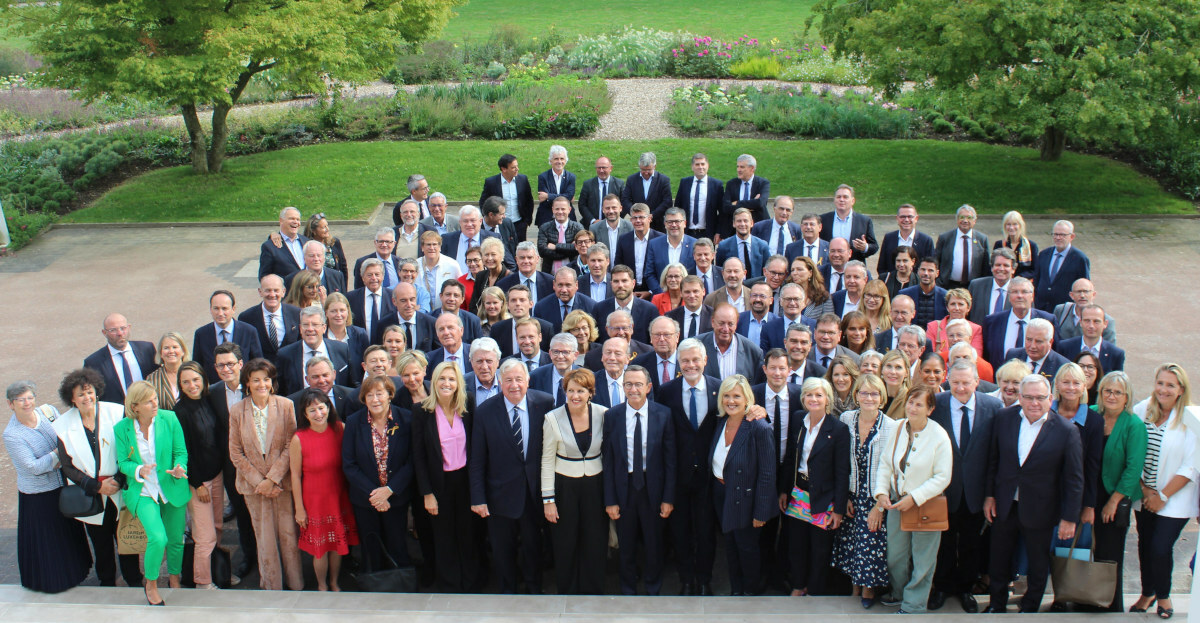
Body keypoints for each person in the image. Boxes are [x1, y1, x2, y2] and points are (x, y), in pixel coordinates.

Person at [983, 374, 1083, 613]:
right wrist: (989, 495)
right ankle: (996, 605)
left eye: (1040, 398)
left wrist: (1069, 518)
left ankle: (1030, 606)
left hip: (1041, 509)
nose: (1034, 403)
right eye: (1028, 397)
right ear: (1020, 397)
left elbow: (1074, 479)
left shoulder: (1066, 431)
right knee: (999, 558)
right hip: (1005, 504)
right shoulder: (1004, 418)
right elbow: (993, 460)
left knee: (1038, 562)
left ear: (1050, 398)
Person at [469, 359, 555, 594]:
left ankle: (534, 588)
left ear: (528, 380)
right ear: (500, 382)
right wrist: (478, 497)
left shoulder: (545, 403)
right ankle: (508, 591)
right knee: (502, 549)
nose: (514, 385)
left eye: (519, 379)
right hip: (499, 495)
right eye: (508, 380)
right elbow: (477, 459)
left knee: (533, 546)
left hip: (533, 492)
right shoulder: (485, 411)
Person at [53, 368, 142, 588]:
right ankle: (107, 581)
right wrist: (95, 486)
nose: (87, 397)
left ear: (97, 391)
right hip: (91, 493)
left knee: (126, 537)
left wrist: (119, 480)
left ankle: (133, 579)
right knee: (100, 542)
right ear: (71, 398)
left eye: (89, 392)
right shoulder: (63, 426)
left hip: (119, 487)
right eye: (80, 394)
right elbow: (67, 466)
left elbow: (131, 449)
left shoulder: (116, 412)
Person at [929, 360, 1004, 613]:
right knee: (944, 543)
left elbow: (996, 453)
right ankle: (941, 587)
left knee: (972, 544)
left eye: (966, 382)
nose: (961, 388)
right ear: (948, 380)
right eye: (956, 382)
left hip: (976, 490)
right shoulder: (936, 404)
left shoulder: (993, 406)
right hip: (943, 490)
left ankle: (965, 589)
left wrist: (990, 493)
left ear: (976, 382)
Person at [4, 380, 93, 593]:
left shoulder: (48, 412)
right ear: (11, 404)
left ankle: (77, 572)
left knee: (67, 534)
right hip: (39, 495)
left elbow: (67, 434)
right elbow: (34, 467)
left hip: (62, 485)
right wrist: (59, 453)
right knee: (48, 541)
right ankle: (52, 581)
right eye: (21, 400)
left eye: (30, 398)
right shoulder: (12, 435)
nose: (27, 403)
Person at [874, 384, 952, 614]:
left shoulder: (939, 435)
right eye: (910, 402)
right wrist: (881, 493)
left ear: (930, 409)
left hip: (926, 505)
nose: (913, 408)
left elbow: (943, 476)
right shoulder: (898, 427)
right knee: (895, 556)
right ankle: (898, 593)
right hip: (897, 503)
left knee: (923, 560)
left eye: (919, 404)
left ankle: (914, 604)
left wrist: (916, 498)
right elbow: (886, 464)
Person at [1129, 364, 1199, 619]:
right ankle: (1147, 593)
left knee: (1160, 546)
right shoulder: (1141, 410)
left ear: (1181, 389)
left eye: (1170, 385)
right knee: (1145, 545)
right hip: (1144, 495)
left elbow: (1191, 465)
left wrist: (1163, 497)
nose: (1163, 389)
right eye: (1160, 383)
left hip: (1175, 498)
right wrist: (1146, 492)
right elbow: (1133, 453)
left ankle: (1164, 596)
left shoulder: (1190, 418)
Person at [227, 359, 303, 591]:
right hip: (254, 487)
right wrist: (260, 482)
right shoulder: (237, 410)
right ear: (247, 383)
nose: (262, 384)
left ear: (272, 382)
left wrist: (272, 479)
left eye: (266, 379)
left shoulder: (286, 405)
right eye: (256, 379)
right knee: (264, 538)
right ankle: (271, 586)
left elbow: (292, 444)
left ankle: (296, 584)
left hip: (281, 484)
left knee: (289, 536)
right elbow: (235, 452)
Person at [114, 381, 191, 606]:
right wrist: (138, 469)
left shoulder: (169, 419)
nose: (155, 403)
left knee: (176, 540)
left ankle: (175, 579)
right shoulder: (122, 428)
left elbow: (180, 452)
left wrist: (180, 468)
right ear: (135, 406)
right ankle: (151, 583)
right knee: (158, 538)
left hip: (171, 487)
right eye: (149, 401)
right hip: (144, 491)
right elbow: (123, 462)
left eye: (155, 398)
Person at [602, 365, 676, 595]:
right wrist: (610, 499)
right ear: (623, 387)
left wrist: (668, 498)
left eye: (638, 384)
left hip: (652, 488)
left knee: (654, 543)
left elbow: (670, 460)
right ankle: (628, 587)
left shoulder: (663, 414)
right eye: (628, 384)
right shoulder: (612, 416)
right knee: (626, 544)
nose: (633, 389)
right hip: (624, 489)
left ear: (648, 387)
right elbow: (609, 461)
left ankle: (653, 586)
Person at [411, 362, 479, 592]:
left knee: (468, 535)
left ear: (458, 383)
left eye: (451, 379)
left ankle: (471, 584)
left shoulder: (468, 404)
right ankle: (450, 585)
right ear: (434, 382)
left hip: (465, 482)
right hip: (438, 485)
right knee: (444, 537)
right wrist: (427, 493)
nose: (446, 384)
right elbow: (418, 457)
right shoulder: (422, 411)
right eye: (441, 379)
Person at [780, 377, 850, 596]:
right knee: (797, 546)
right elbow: (791, 458)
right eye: (809, 395)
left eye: (819, 395)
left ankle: (815, 591)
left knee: (820, 550)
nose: (813, 399)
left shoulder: (838, 429)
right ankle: (799, 586)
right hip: (799, 493)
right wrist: (784, 490)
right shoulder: (799, 419)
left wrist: (838, 509)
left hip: (824, 497)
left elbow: (842, 471)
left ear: (827, 399)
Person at [541, 368, 607, 594]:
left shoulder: (603, 414)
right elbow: (547, 460)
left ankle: (594, 588)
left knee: (595, 538)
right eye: (570, 391)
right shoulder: (552, 418)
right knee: (566, 540)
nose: (575, 396)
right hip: (564, 485)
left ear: (591, 392)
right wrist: (548, 500)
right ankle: (567, 589)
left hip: (595, 485)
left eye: (580, 391)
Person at [833, 374, 897, 607]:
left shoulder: (891, 426)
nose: (868, 397)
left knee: (870, 542)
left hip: (875, 497)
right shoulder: (847, 418)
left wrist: (879, 506)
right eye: (863, 392)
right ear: (856, 395)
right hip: (852, 494)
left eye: (874, 393)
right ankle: (855, 588)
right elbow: (842, 460)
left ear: (881, 398)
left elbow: (890, 470)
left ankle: (868, 591)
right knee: (852, 543)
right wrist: (846, 496)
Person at [711, 374, 777, 595]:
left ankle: (751, 593)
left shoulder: (759, 428)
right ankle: (736, 590)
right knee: (730, 546)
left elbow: (767, 473)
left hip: (746, 499)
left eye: (736, 396)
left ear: (747, 398)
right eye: (727, 396)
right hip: (722, 493)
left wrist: (761, 512)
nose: (731, 401)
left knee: (747, 548)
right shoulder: (721, 422)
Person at [1087, 371, 1146, 612]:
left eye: (1117, 392)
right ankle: (1085, 597)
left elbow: (1134, 468)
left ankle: (1109, 605)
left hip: (1114, 496)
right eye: (1107, 391)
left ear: (1127, 397)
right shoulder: (1090, 414)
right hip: (1088, 493)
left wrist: (1114, 501)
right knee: (1083, 550)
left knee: (1109, 554)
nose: (1111, 396)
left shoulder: (1133, 425)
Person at [343, 375, 414, 575]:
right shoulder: (354, 422)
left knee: (397, 544)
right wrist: (376, 494)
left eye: (380, 394)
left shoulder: (406, 419)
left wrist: (389, 490)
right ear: (363, 399)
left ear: (390, 395)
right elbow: (349, 465)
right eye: (369, 395)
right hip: (366, 500)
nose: (375, 399)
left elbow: (412, 460)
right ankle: (373, 589)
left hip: (396, 498)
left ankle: (400, 586)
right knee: (370, 547)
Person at [290, 389, 357, 592]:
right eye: (312, 410)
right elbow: (295, 475)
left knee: (336, 545)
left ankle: (335, 582)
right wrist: (299, 509)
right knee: (320, 549)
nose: (318, 414)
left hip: (338, 497)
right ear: (304, 413)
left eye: (322, 408)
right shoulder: (299, 438)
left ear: (329, 408)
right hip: (314, 501)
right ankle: (321, 585)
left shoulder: (341, 429)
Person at [173, 362, 229, 590]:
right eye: (185, 382)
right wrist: (197, 484)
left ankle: (216, 573)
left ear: (204, 379)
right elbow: (183, 451)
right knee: (204, 535)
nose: (191, 385)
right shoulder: (180, 412)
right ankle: (202, 583)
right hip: (199, 483)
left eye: (195, 380)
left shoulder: (207, 401)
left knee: (216, 528)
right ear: (180, 385)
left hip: (216, 476)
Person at [83, 312, 159, 405]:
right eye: (113, 330)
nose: (120, 333)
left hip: (148, 411)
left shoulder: (147, 349)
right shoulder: (93, 362)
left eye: (123, 328)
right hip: (117, 416)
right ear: (104, 333)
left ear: (129, 327)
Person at [1033, 220, 1091, 312]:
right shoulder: (1044, 254)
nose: (1058, 238)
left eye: (1062, 235)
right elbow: (1037, 280)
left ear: (1072, 236)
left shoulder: (1080, 259)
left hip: (1064, 311)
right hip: (1041, 308)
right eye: (1055, 234)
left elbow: (1084, 287)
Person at [481, 154, 535, 241]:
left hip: (519, 224)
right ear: (504, 169)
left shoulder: (523, 179)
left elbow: (529, 200)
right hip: (499, 224)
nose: (517, 169)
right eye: (513, 167)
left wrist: (527, 221)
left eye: (517, 166)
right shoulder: (491, 182)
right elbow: (483, 203)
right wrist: (489, 220)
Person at [935, 204, 989, 289]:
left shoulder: (982, 239)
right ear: (957, 219)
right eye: (962, 217)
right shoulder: (945, 238)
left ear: (975, 221)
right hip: (948, 285)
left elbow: (986, 266)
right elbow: (936, 261)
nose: (965, 220)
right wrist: (938, 281)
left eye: (969, 218)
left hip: (973, 287)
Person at [819, 184, 877, 263]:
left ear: (853, 201)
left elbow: (874, 246)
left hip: (854, 267)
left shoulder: (864, 221)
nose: (841, 200)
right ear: (834, 200)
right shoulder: (823, 219)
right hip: (829, 267)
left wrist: (865, 247)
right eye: (838, 197)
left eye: (845, 197)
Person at [877, 203, 935, 276]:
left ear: (916, 218)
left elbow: (930, 267)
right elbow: (882, 266)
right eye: (902, 217)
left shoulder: (926, 240)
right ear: (897, 218)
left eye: (910, 216)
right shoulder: (889, 238)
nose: (906, 220)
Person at [675, 152, 722, 240]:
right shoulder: (685, 182)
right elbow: (678, 207)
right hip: (687, 232)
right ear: (692, 167)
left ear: (707, 165)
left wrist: (719, 232)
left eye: (703, 164)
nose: (700, 167)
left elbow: (722, 211)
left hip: (707, 233)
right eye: (697, 164)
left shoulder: (716, 185)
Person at [324, 292, 369, 384]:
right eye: (333, 311)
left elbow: (366, 364)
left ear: (348, 311)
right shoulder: (321, 336)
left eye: (342, 310)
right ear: (326, 313)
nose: (338, 315)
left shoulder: (360, 334)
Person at [620, 152, 673, 225]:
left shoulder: (663, 180)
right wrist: (635, 214)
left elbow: (667, 202)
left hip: (657, 224)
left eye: (649, 169)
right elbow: (625, 199)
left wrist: (652, 215)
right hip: (637, 223)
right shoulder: (631, 180)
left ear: (654, 166)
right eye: (643, 170)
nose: (646, 172)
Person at [925, 289, 982, 356]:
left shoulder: (976, 329)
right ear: (947, 307)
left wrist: (942, 355)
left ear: (968, 308)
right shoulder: (933, 327)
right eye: (953, 304)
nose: (956, 308)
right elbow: (928, 357)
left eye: (961, 304)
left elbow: (976, 357)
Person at [967, 248, 1016, 326]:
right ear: (992, 268)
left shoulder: (1020, 290)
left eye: (1006, 265)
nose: (1001, 269)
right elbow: (967, 314)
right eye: (998, 265)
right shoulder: (976, 286)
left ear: (1013, 269)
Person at [259, 207, 309, 280]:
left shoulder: (306, 241)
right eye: (291, 218)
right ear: (281, 221)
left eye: (298, 219)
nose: (295, 222)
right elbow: (264, 277)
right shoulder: (270, 247)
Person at [537, 196, 584, 273]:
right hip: (549, 274)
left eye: (563, 209)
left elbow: (580, 249)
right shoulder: (544, 227)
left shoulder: (578, 227)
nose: (560, 212)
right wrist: (570, 249)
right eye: (557, 209)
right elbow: (542, 251)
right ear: (552, 210)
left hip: (573, 273)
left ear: (569, 210)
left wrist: (556, 247)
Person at [417, 231, 462, 309]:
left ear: (440, 247)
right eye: (428, 244)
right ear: (422, 247)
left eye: (434, 244)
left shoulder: (452, 265)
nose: (431, 248)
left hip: (446, 312)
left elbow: (460, 288)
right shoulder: (415, 266)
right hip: (422, 313)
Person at [145, 332, 189, 410]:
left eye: (175, 347)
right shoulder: (152, 379)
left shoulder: (194, 372)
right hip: (167, 422)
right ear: (161, 353)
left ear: (183, 351)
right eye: (166, 348)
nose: (171, 351)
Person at [467, 237, 511, 314]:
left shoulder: (510, 277)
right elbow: (473, 305)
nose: (489, 258)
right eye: (486, 255)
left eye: (493, 254)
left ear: (501, 256)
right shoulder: (481, 276)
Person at [303, 212, 348, 284]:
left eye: (327, 226)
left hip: (334, 284)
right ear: (314, 231)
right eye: (324, 227)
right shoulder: (307, 246)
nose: (327, 229)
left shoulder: (334, 242)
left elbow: (343, 268)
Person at [578, 156, 624, 226]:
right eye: (598, 168)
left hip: (614, 224)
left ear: (610, 168)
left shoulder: (619, 184)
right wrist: (593, 220)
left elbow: (623, 204)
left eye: (604, 167)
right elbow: (582, 205)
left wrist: (615, 220)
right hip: (592, 225)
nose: (601, 170)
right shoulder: (588, 184)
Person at [994, 210, 1039, 280]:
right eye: (1008, 224)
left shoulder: (1031, 246)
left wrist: (1019, 278)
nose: (1011, 227)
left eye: (1015, 224)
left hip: (1023, 283)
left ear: (1020, 225)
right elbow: (994, 266)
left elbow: (1035, 270)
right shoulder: (999, 245)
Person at [791, 255, 833, 321]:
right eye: (792, 270)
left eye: (799, 269)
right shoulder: (787, 294)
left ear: (810, 273)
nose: (794, 273)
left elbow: (829, 322)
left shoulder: (823, 297)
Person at [879, 349, 912, 419]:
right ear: (882, 370)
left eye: (898, 367)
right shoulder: (873, 396)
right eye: (889, 366)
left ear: (906, 373)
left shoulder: (910, 400)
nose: (893, 372)